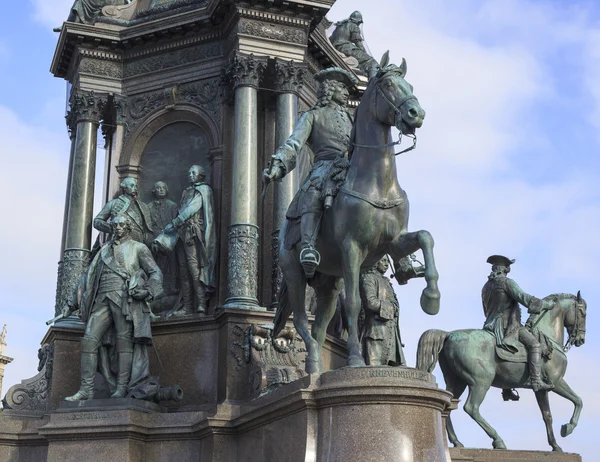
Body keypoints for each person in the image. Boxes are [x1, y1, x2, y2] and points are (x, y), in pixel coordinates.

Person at [264, 67, 357, 278]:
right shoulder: (313, 116)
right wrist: (278, 166)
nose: (345, 91)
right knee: (314, 191)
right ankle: (308, 246)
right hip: (325, 166)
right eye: (341, 87)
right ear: (330, 88)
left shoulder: (352, 119)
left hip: (351, 166)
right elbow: (293, 143)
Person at [63, 215, 163, 401]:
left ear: (128, 227)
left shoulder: (138, 248)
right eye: (114, 225)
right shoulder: (103, 251)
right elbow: (87, 278)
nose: (117, 228)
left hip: (124, 299)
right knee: (89, 339)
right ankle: (87, 389)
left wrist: (148, 290)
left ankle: (122, 387)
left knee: (124, 342)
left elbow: (155, 272)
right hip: (101, 298)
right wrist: (70, 304)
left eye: (121, 225)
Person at [482, 255, 555, 398]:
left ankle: (507, 389)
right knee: (535, 345)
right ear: (504, 268)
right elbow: (525, 299)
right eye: (507, 266)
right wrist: (547, 305)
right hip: (508, 327)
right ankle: (536, 380)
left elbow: (486, 310)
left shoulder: (486, 287)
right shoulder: (506, 283)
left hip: (490, 326)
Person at [155, 165, 216, 315]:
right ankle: (188, 306)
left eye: (193, 172)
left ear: (201, 175)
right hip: (181, 235)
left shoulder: (203, 190)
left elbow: (191, 209)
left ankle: (201, 303)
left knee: (194, 269)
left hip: (193, 235)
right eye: (189, 172)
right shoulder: (186, 192)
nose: (190, 175)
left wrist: (175, 223)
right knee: (183, 271)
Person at [359, 256, 406, 366]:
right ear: (375, 262)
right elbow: (370, 302)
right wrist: (391, 308)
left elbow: (395, 304)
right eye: (383, 261)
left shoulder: (386, 281)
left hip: (391, 333)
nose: (386, 264)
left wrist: (394, 307)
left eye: (387, 261)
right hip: (375, 332)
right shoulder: (369, 278)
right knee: (374, 372)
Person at [94, 177, 154, 246]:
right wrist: (113, 228)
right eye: (132, 186)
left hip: (138, 242)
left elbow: (148, 229)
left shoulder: (143, 206)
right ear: (124, 188)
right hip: (119, 242)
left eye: (135, 186)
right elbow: (97, 221)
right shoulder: (113, 203)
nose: (135, 188)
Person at [148, 181, 179, 296]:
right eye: (158, 188)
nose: (161, 190)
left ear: (166, 190)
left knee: (172, 262)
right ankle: (155, 289)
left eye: (163, 188)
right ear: (153, 190)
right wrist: (152, 240)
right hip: (154, 239)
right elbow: (147, 226)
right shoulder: (149, 207)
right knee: (155, 265)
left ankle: (173, 286)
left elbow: (176, 225)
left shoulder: (172, 205)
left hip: (170, 239)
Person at [330, 11, 379, 78]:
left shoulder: (340, 26)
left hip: (337, 46)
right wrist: (365, 54)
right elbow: (358, 42)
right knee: (372, 62)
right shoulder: (353, 26)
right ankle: (373, 82)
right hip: (345, 47)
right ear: (358, 21)